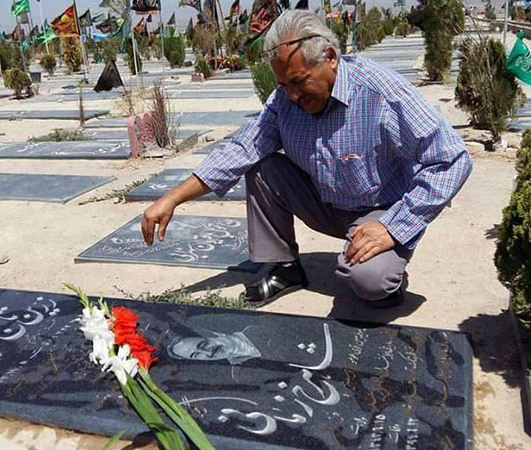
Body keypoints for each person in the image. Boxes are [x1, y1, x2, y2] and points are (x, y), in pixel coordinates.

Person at [141, 11, 472, 308]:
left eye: (298, 82)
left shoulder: (381, 93)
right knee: (261, 166)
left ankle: (390, 276)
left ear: (329, 57)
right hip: (324, 202)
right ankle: (283, 266)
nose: (292, 96)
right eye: (283, 84)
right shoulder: (285, 101)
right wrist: (171, 199)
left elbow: (452, 159)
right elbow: (242, 149)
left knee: (370, 282)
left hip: (378, 208)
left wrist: (393, 227)